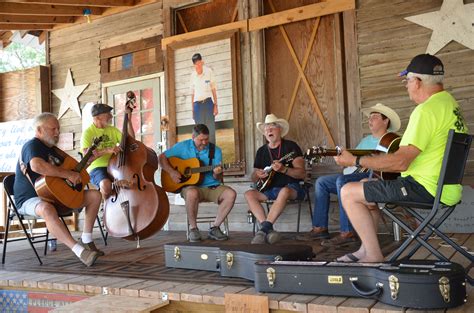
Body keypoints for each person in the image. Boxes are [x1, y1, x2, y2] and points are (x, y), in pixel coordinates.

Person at [334, 54, 467, 263]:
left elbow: (400, 162)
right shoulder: (450, 104)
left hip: (425, 189)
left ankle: (373, 254)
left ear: (418, 82)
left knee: (348, 192)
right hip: (446, 189)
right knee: (364, 184)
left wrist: (355, 161)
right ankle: (365, 249)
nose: (406, 86)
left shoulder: (425, 111)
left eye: (407, 81)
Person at [296, 103, 401, 246]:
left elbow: (393, 165)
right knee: (322, 182)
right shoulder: (365, 141)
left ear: (385, 120)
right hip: (358, 175)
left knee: (342, 181)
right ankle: (320, 228)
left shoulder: (393, 140)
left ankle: (347, 232)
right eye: (369, 118)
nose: (369, 120)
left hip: (375, 177)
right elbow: (351, 163)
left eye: (374, 117)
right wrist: (341, 158)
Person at [14, 113, 104, 267]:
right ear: (39, 130)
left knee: (95, 195)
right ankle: (80, 251)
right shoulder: (32, 145)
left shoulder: (55, 151)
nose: (57, 133)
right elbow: (36, 166)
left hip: (54, 196)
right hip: (29, 199)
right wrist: (68, 174)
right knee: (47, 209)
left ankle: (87, 238)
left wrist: (88, 161)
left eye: (58, 129)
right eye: (53, 129)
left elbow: (74, 172)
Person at [159, 124, 236, 242]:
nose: (204, 142)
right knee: (192, 193)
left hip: (212, 187)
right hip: (191, 187)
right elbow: (162, 157)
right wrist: (172, 172)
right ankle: (194, 229)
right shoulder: (182, 146)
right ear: (193, 137)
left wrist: (217, 173)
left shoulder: (216, 151)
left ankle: (215, 228)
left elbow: (218, 176)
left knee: (231, 194)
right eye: (201, 140)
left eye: (206, 139)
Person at [245, 114, 306, 244]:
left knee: (284, 191)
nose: (268, 131)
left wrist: (284, 169)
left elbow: (302, 174)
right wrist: (258, 174)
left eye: (272, 127)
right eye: (266, 129)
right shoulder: (261, 151)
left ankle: (263, 230)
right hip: (269, 190)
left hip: (292, 189)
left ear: (280, 130)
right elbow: (253, 178)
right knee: (249, 194)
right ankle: (267, 229)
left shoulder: (291, 147)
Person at [80, 103, 134, 200]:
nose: (111, 116)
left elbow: (131, 140)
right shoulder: (88, 133)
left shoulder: (112, 130)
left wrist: (128, 120)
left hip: (115, 165)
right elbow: (87, 157)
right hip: (97, 167)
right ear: (98, 118)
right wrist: (107, 150)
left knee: (131, 181)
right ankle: (106, 208)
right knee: (106, 185)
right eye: (107, 114)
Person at [189, 53, 218, 144]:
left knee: (210, 130)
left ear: (202, 62)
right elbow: (192, 94)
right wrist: (193, 110)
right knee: (199, 131)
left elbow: (213, 89)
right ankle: (201, 153)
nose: (198, 65)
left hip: (208, 103)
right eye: (196, 64)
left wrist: (215, 105)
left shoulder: (209, 72)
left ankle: (212, 154)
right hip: (197, 105)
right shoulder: (193, 76)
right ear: (194, 65)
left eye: (199, 63)